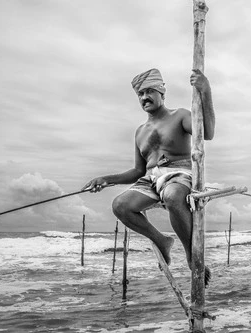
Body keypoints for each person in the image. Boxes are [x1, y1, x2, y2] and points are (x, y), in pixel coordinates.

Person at [82, 68, 215, 285]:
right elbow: (138, 171)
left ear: (162, 93)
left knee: (172, 196)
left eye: (150, 91)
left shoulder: (179, 115)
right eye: (140, 94)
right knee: (120, 206)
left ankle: (192, 256)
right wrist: (105, 179)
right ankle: (162, 240)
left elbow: (207, 132)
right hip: (151, 180)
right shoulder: (140, 131)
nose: (145, 97)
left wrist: (205, 91)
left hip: (178, 174)